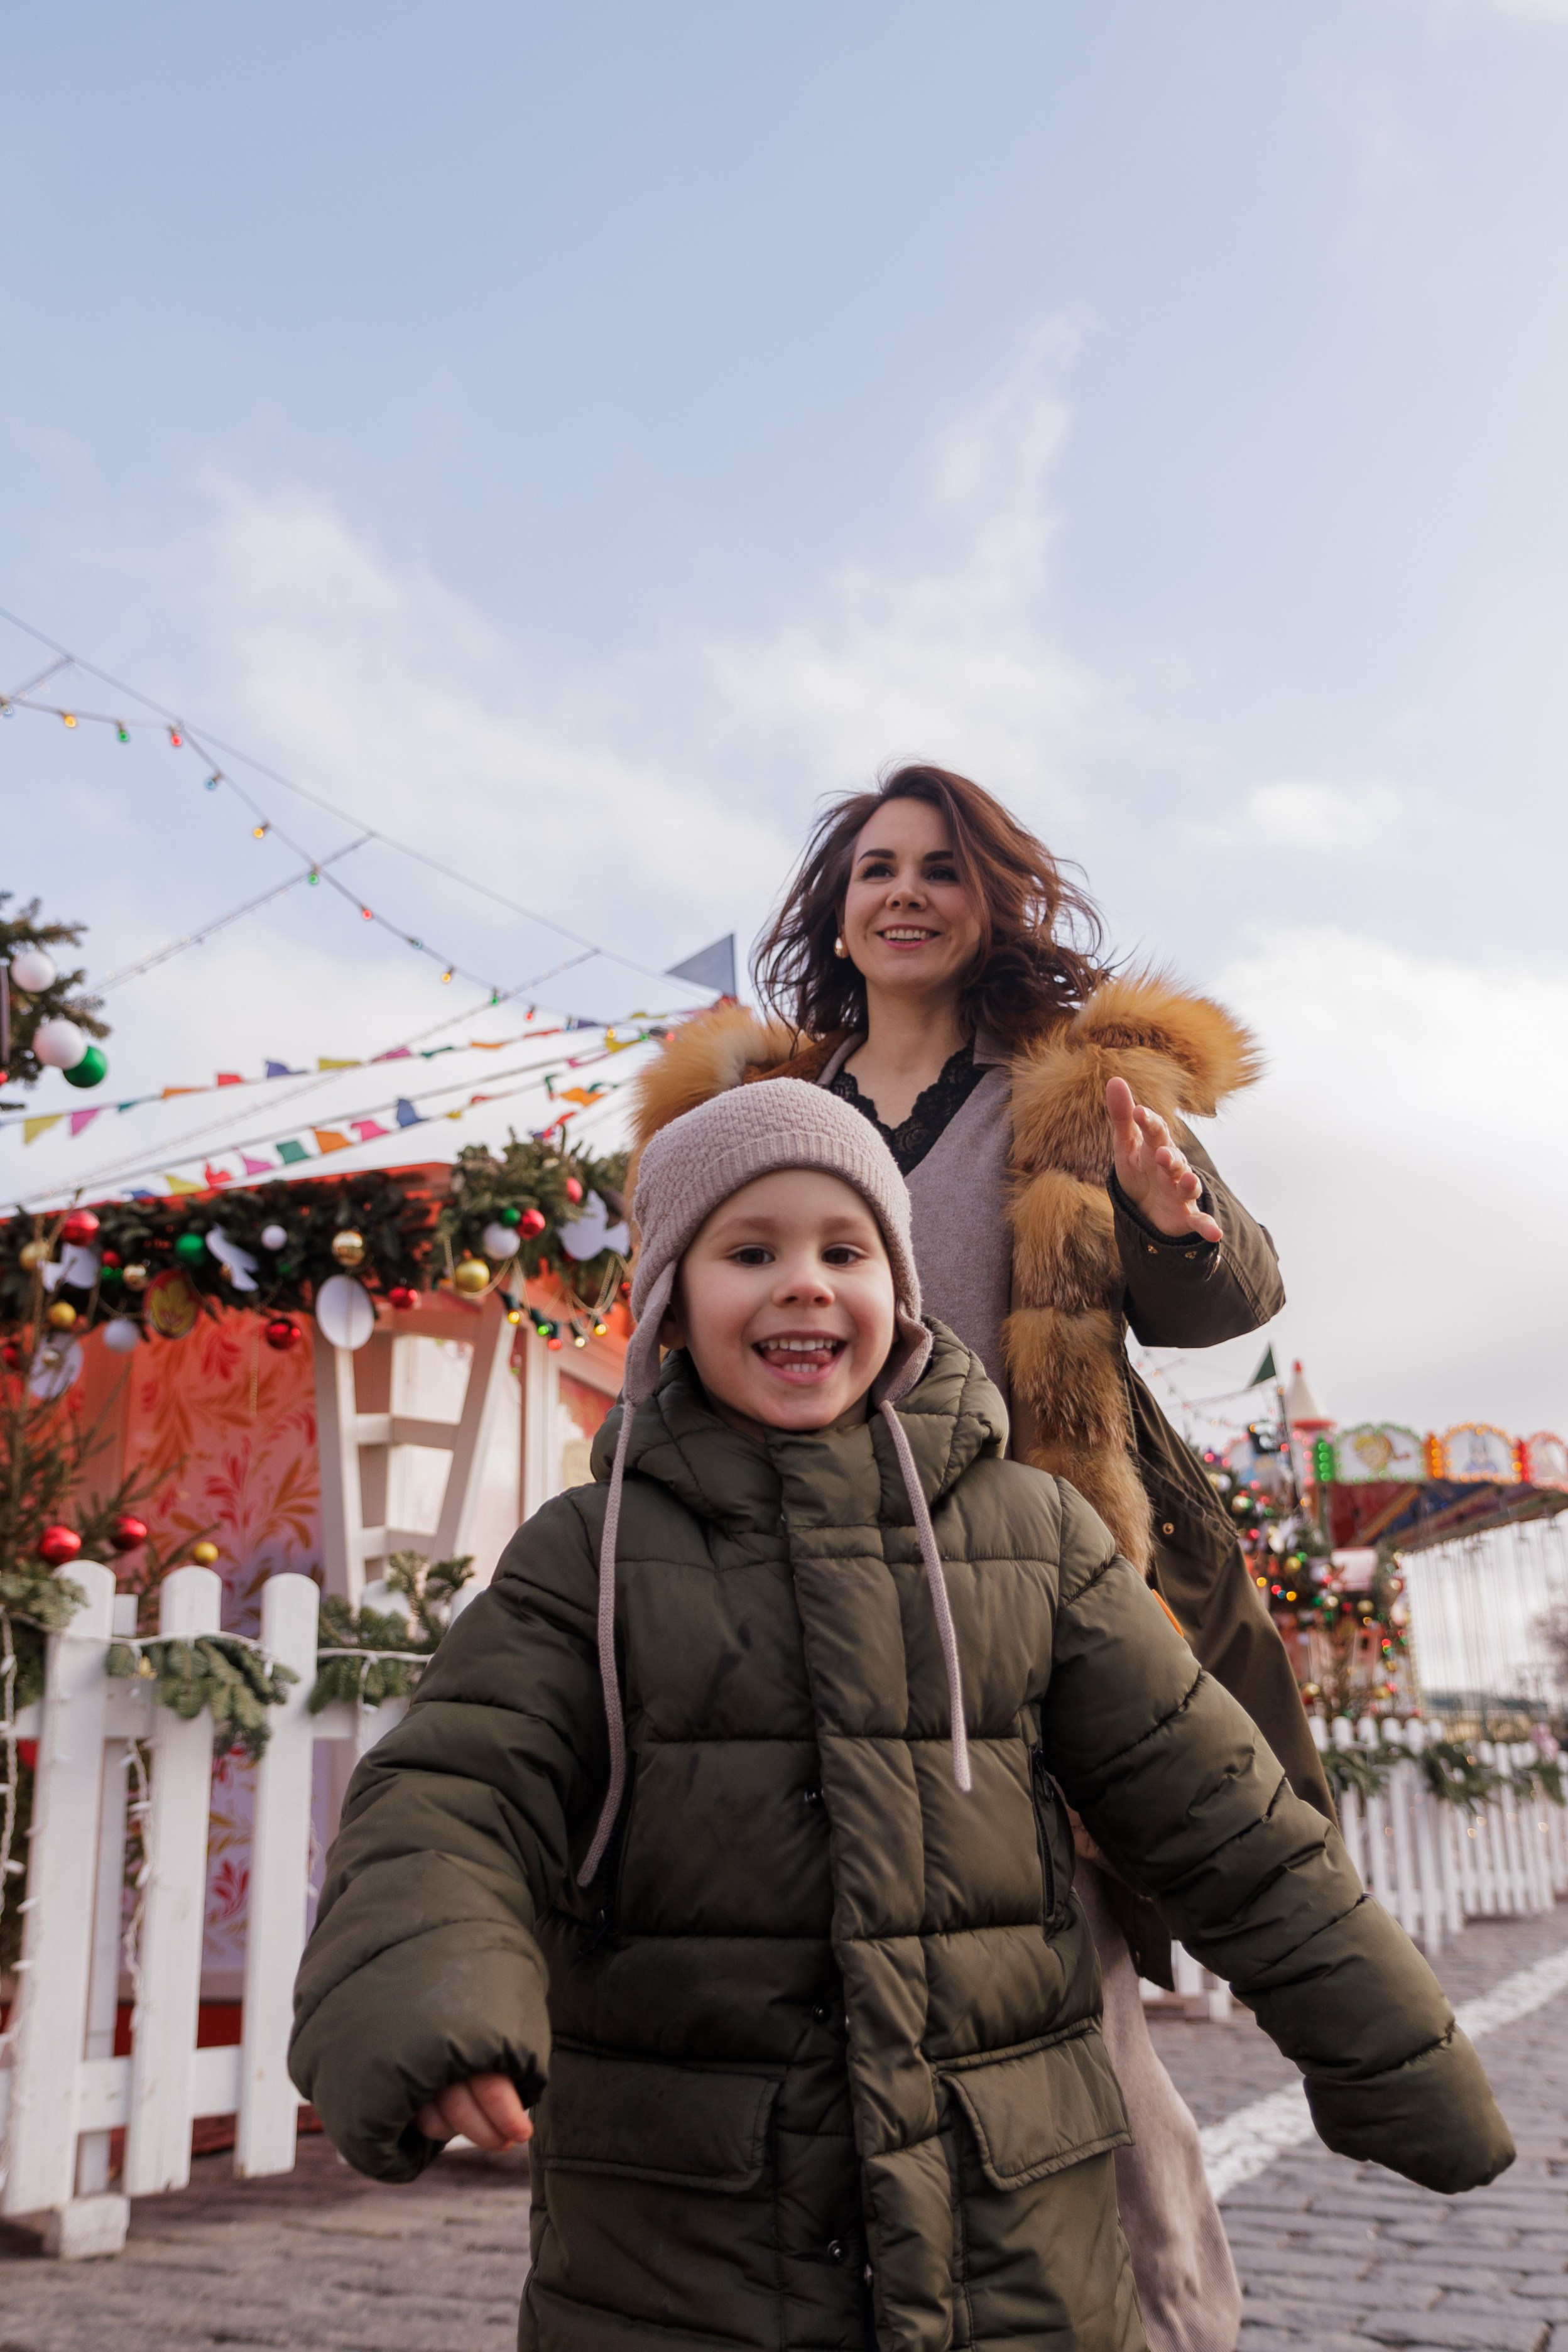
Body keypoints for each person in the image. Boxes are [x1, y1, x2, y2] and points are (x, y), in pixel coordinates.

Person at [290, 1082, 1513, 2352]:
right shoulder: (586, 1561)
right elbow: (452, 1794)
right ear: (667, 1301)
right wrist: (432, 1993)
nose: (806, 1285)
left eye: (845, 1250)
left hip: (1010, 2236)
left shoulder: (1032, 1541)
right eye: (750, 1253)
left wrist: (1392, 2049)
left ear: (901, 1286)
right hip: (687, 2247)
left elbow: (1224, 1815)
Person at [628, 765, 1329, 2352]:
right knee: (807, 2008)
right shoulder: (765, 1104)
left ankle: (1172, 2324)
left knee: (1066, 2007)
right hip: (793, 1590)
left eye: (942, 868)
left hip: (1023, 1589)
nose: (906, 894)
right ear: (834, 905)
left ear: (988, 899)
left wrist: (1175, 1217)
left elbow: (1236, 1302)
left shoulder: (1069, 1091)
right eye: (875, 867)